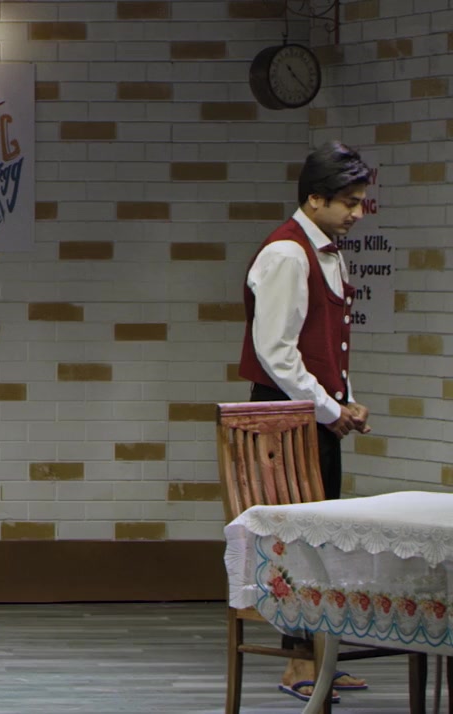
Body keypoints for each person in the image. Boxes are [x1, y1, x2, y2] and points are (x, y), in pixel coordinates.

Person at [238, 141, 372, 703]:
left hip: (312, 412)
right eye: (348, 202)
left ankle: (319, 659)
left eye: (361, 202)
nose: (357, 213)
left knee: (321, 540)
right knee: (297, 541)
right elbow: (276, 351)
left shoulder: (327, 253)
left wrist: (346, 400)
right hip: (284, 418)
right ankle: (298, 662)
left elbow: (326, 343)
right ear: (315, 198)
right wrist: (327, 408)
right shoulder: (287, 254)